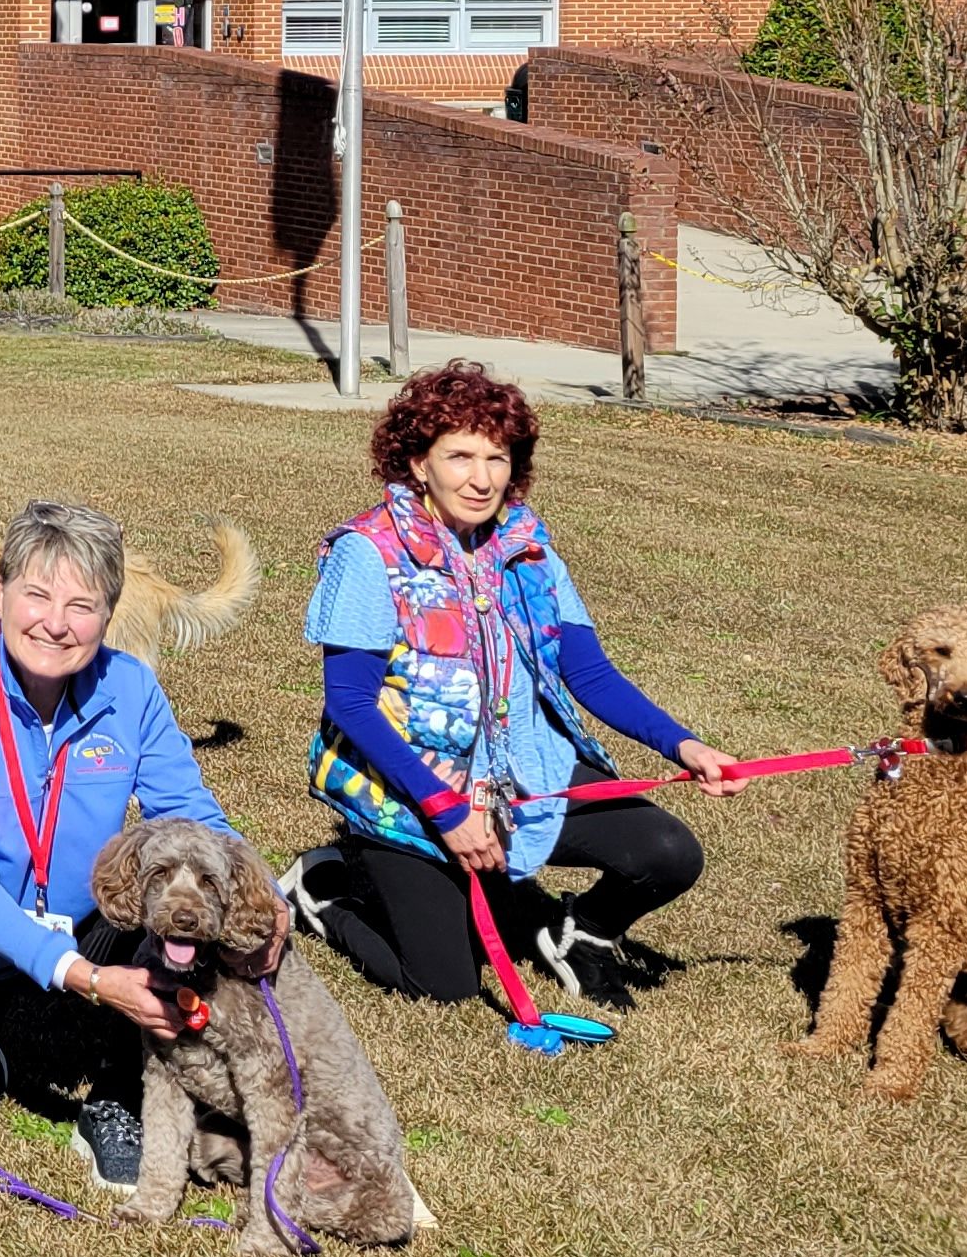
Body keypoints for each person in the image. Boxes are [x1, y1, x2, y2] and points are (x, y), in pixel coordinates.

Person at [283, 360, 742, 1011]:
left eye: (497, 457)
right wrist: (447, 810)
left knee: (667, 853)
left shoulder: (528, 551)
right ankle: (324, 888)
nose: (481, 477)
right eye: (460, 455)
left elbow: (586, 671)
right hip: (409, 793)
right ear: (418, 462)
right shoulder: (371, 552)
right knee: (444, 984)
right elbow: (350, 703)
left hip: (525, 772)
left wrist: (685, 747)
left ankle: (579, 933)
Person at [0, 499, 252, 1197]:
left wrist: (258, 897)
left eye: (83, 604)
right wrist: (88, 980)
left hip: (84, 917)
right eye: (35, 594)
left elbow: (187, 814)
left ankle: (120, 1096)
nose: (56, 623)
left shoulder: (130, 688)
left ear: (109, 612)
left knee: (193, 912)